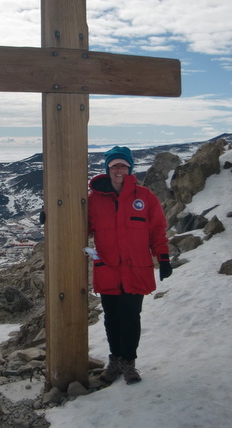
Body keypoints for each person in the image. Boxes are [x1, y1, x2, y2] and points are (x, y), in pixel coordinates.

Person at [88, 145, 172, 385]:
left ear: (130, 168)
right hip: (108, 270)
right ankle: (115, 360)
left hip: (136, 269)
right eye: (115, 166)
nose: (119, 170)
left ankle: (129, 363)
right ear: (107, 168)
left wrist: (163, 259)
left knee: (131, 317)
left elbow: (158, 230)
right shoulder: (94, 200)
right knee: (111, 318)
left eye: (123, 166)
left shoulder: (145, 197)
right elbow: (78, 227)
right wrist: (50, 217)